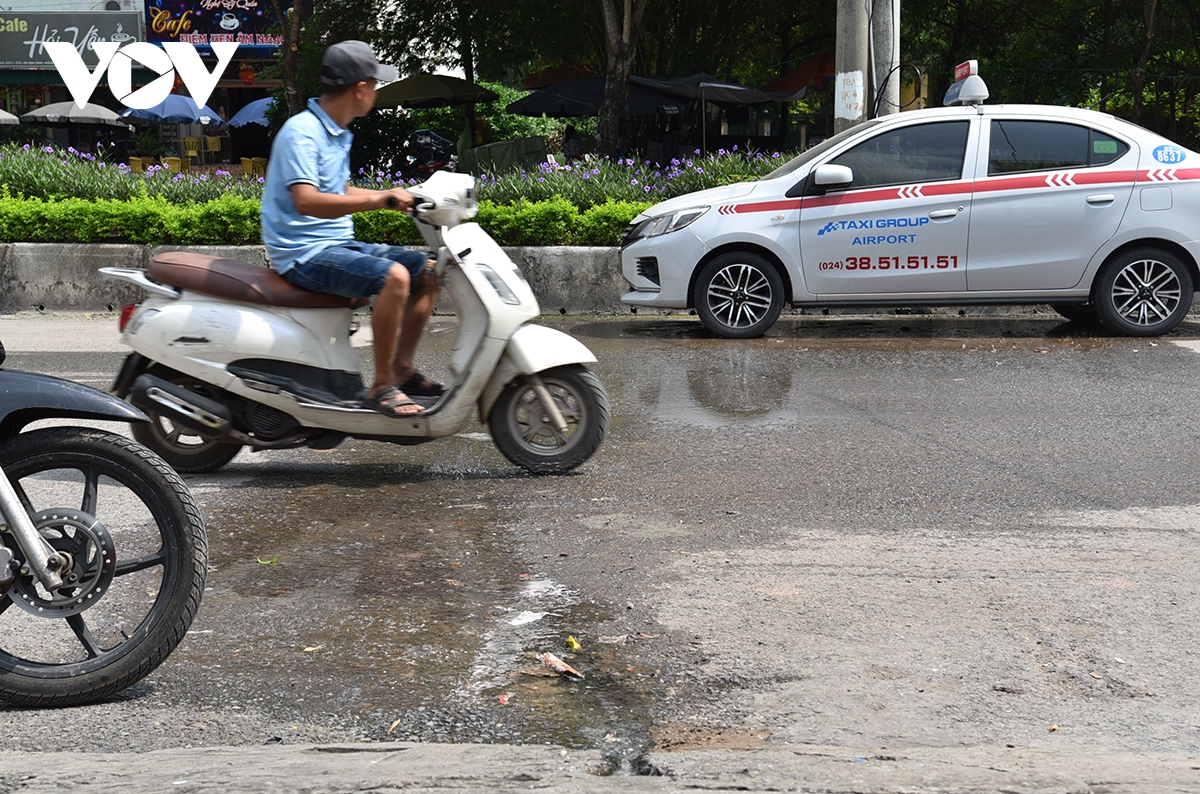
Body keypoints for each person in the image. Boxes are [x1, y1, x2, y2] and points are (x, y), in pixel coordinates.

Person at [261, 40, 443, 418]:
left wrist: (396, 195)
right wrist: (379, 200)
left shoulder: (337, 130)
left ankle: (402, 370)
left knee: (427, 271)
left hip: (334, 244)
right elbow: (307, 201)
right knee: (394, 278)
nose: (376, 92)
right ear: (361, 88)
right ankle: (381, 386)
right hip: (302, 253)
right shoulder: (302, 132)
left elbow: (339, 191)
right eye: (375, 85)